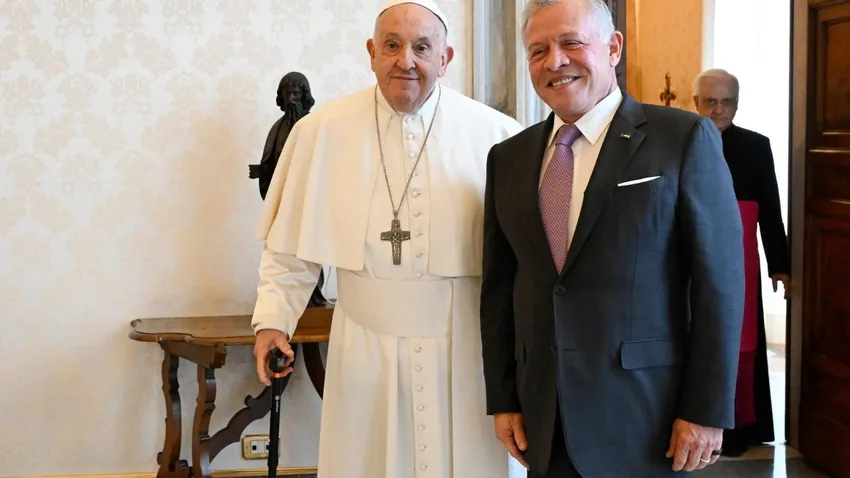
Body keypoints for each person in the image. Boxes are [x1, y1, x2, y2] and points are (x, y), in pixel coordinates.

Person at [250, 1, 524, 477]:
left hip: (467, 351)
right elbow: (290, 248)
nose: (406, 61)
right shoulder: (321, 132)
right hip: (364, 347)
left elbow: (526, 260)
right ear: (371, 52)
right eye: (392, 46)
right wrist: (273, 320)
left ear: (446, 58)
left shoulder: (497, 135)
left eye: (422, 47)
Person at [479, 0, 745, 476]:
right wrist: (503, 398)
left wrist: (705, 409)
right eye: (538, 50)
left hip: (647, 418)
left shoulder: (682, 138)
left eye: (571, 42)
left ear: (613, 47)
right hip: (544, 417)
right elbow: (500, 289)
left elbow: (718, 285)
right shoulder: (507, 158)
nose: (554, 61)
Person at [693, 68, 791, 456]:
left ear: (737, 104)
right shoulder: (681, 142)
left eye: (726, 101)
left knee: (741, 340)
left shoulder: (755, 146)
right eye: (710, 101)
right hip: (690, 258)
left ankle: (739, 428)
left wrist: (780, 264)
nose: (718, 109)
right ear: (696, 102)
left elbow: (770, 209)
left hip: (741, 261)